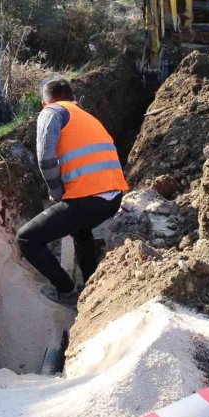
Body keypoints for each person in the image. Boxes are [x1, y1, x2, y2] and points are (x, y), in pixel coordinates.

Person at [15, 79, 128, 306]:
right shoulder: (85, 116)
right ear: (73, 98)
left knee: (26, 238)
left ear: (44, 102)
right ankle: (91, 282)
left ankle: (66, 290)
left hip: (90, 199)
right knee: (79, 227)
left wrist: (56, 192)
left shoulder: (51, 112)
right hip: (113, 197)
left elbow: (46, 159)